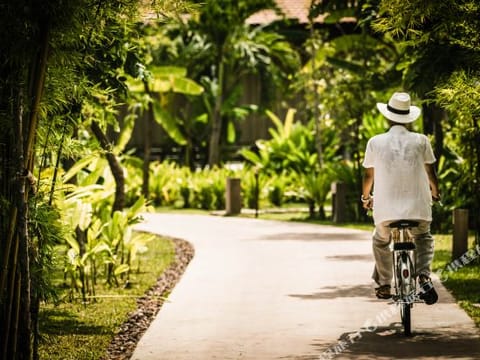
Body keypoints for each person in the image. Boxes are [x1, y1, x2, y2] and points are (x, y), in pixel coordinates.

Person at [361, 92, 440, 305]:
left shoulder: (375, 142)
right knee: (423, 237)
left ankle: (385, 283)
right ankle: (423, 275)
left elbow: (369, 175)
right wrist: (435, 192)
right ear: (408, 117)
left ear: (388, 117)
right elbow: (430, 173)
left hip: (385, 210)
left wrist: (366, 197)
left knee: (381, 240)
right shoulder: (421, 140)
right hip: (418, 207)